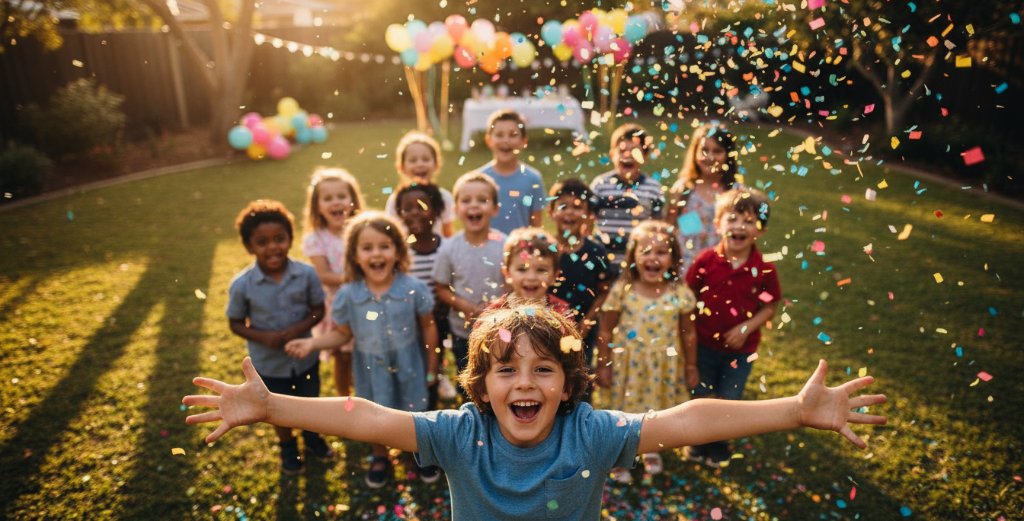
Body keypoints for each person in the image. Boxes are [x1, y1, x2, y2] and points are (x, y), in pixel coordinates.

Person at [184, 305, 887, 521]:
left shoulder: (593, 430)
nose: (525, 382)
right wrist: (273, 404)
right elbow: (366, 416)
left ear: (568, 381)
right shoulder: (460, 434)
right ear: (482, 385)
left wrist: (793, 411)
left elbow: (688, 419)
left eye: (543, 368)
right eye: (507, 369)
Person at [284, 211, 440, 487]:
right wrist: (312, 342)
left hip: (409, 364)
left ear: (398, 250)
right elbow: (342, 334)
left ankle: (416, 452)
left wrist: (432, 365)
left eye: (384, 246)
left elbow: (428, 325)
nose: (376, 254)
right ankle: (380, 455)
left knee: (413, 410)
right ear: (355, 256)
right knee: (375, 414)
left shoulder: (413, 288)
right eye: (367, 248)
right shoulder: (349, 295)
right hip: (371, 369)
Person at [225, 199, 332, 474]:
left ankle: (311, 436)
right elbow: (235, 323)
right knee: (275, 408)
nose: (272, 246)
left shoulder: (306, 274)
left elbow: (318, 310)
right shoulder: (242, 285)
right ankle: (288, 447)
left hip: (305, 359)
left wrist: (297, 330)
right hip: (268, 364)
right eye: (262, 241)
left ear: (290, 239)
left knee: (309, 402)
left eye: (279, 239)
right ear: (250, 246)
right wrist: (263, 336)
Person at [684, 188, 780, 468]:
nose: (739, 226)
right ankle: (698, 440)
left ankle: (719, 443)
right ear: (718, 224)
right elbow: (689, 300)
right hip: (703, 346)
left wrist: (746, 328)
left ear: (760, 230)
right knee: (701, 395)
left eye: (749, 221)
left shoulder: (764, 269)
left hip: (741, 351)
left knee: (730, 398)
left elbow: (769, 306)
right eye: (733, 219)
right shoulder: (704, 262)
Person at [596, 220, 698, 482]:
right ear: (634, 257)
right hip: (627, 365)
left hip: (662, 365)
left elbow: (689, 333)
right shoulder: (624, 289)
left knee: (656, 411)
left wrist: (690, 366)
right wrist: (603, 365)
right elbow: (606, 330)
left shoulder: (679, 292)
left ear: (673, 258)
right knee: (622, 413)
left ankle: (651, 449)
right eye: (646, 251)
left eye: (661, 252)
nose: (653, 258)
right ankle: (619, 457)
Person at [432, 171, 507, 391]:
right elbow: (441, 288)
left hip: (501, 330)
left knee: (498, 380)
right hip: (463, 332)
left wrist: (497, 308)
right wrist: (465, 306)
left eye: (482, 200)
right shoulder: (449, 248)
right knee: (470, 382)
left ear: (495, 209)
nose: (473, 206)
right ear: (455, 211)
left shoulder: (505, 244)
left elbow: (514, 284)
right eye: (466, 201)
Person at [301, 167, 363, 398]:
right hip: (337, 306)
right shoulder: (316, 238)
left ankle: (364, 393)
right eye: (328, 198)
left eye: (341, 196)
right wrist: (356, 277)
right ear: (317, 206)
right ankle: (344, 396)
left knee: (363, 351)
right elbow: (324, 274)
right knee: (342, 356)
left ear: (352, 200)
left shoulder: (360, 230)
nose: (336, 202)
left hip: (365, 302)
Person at [394, 181, 458, 401]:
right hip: (409, 320)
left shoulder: (447, 247)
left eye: (421, 206)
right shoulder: (400, 251)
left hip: (441, 318)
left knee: (435, 358)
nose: (414, 213)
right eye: (407, 208)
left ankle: (432, 394)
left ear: (437, 210)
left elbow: (452, 283)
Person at [547, 178, 616, 374]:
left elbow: (604, 291)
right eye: (563, 206)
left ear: (587, 214)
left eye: (577, 207)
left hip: (582, 331)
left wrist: (586, 322)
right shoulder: (545, 250)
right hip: (548, 329)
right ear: (551, 212)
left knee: (578, 376)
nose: (569, 212)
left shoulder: (595, 251)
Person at [665, 123, 742, 271]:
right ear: (694, 152)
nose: (710, 157)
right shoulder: (683, 189)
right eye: (704, 150)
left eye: (718, 151)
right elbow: (669, 229)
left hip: (721, 270)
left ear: (728, 155)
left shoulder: (736, 193)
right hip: (685, 269)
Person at [589, 123, 665, 258]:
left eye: (635, 151)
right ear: (612, 154)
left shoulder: (653, 189)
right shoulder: (600, 185)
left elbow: (657, 226)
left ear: (645, 155)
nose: (628, 156)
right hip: (603, 257)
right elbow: (588, 222)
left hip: (637, 259)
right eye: (622, 151)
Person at [477, 109, 546, 234]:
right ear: (489, 140)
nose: (506, 140)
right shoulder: (479, 180)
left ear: (524, 141)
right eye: (499, 135)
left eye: (513, 135)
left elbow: (536, 227)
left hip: (520, 251)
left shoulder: (533, 179)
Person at [384, 131, 456, 237]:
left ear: (436, 164)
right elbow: (391, 234)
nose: (420, 164)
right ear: (402, 167)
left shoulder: (444, 197)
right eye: (413, 160)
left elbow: (448, 232)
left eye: (426, 159)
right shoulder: (395, 200)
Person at [488, 227, 571, 316]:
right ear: (507, 273)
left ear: (554, 276)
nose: (531, 277)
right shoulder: (494, 312)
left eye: (541, 270)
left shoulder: (561, 311)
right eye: (522, 269)